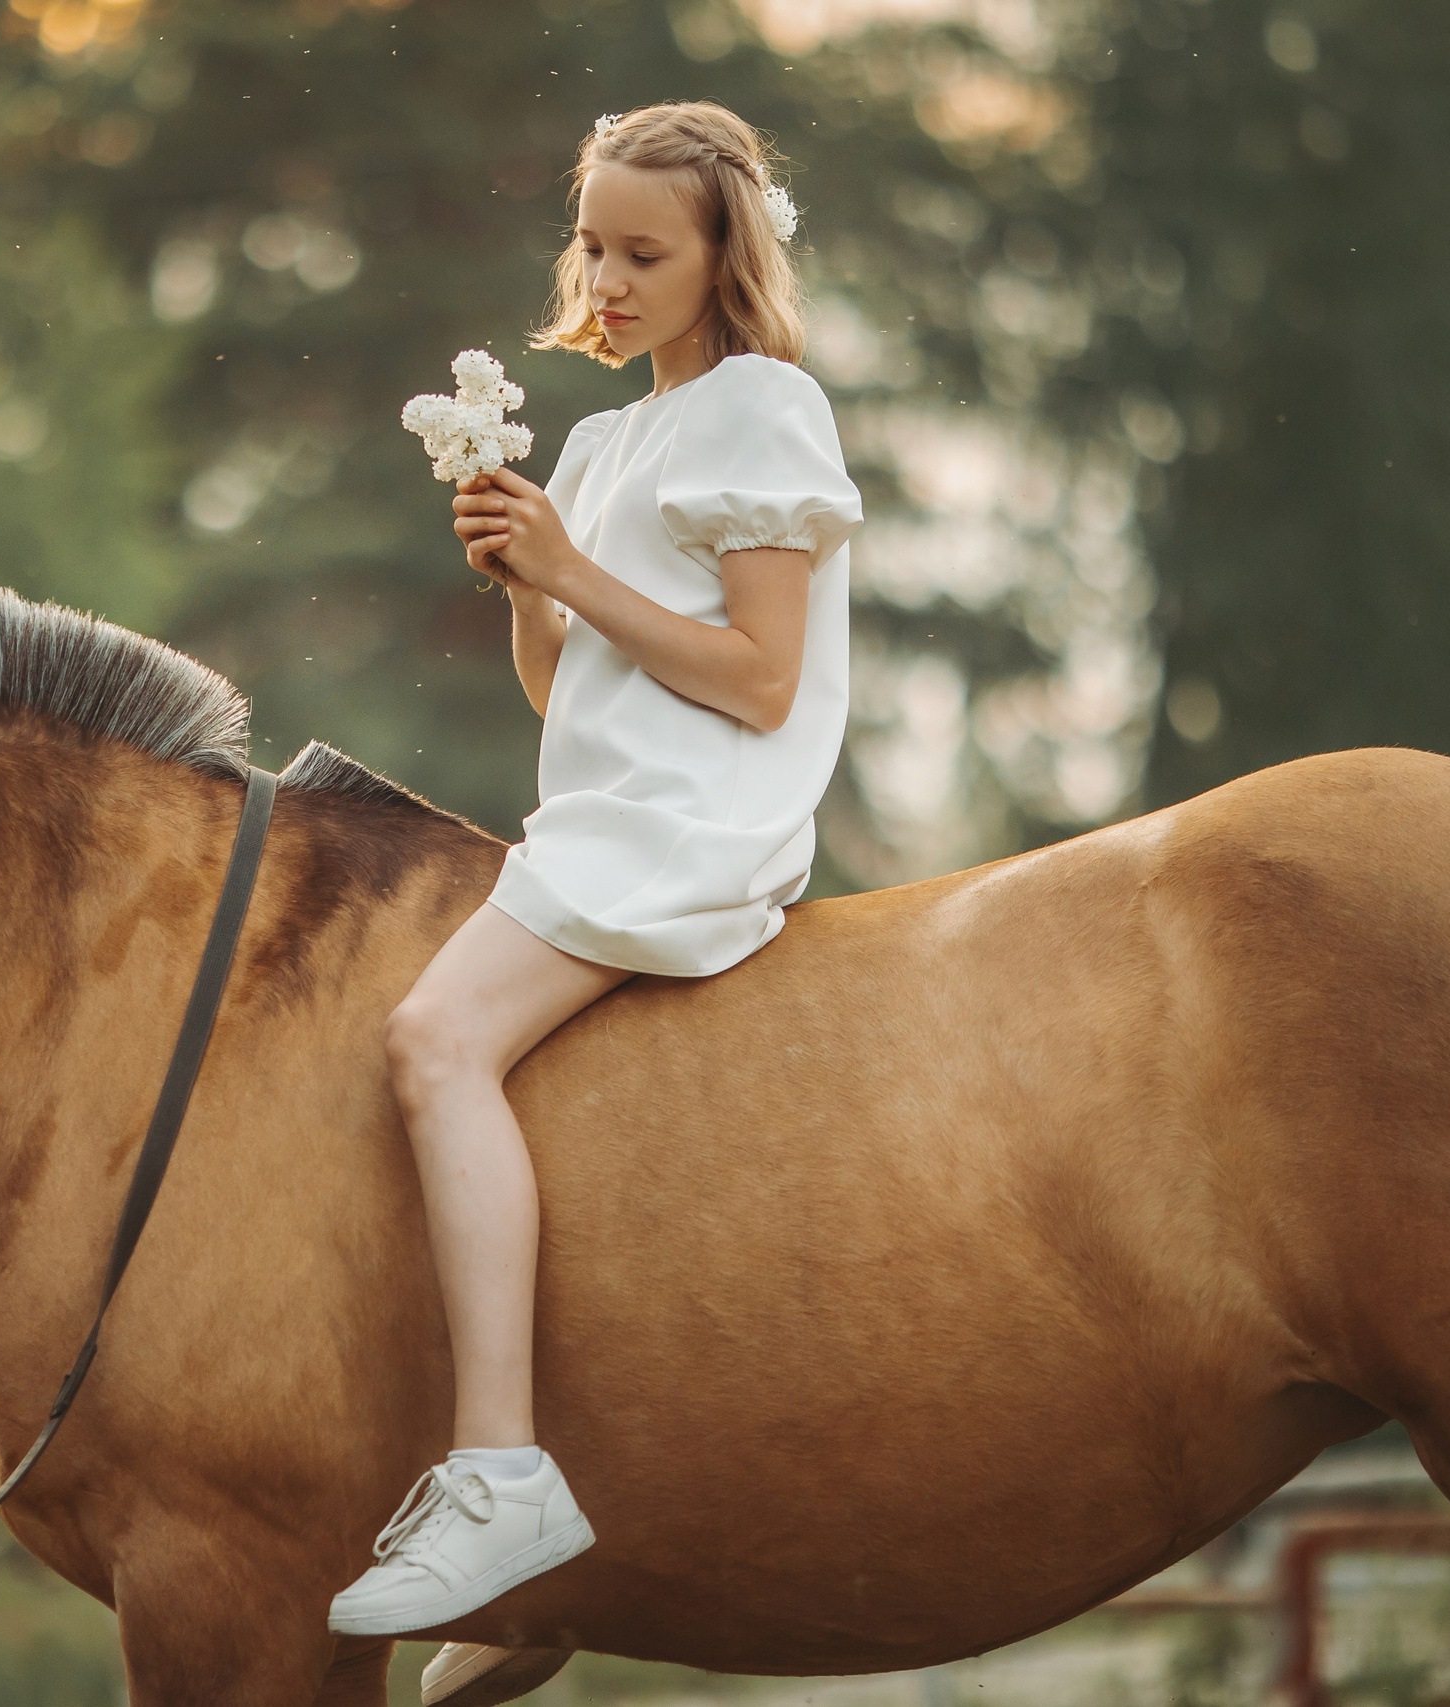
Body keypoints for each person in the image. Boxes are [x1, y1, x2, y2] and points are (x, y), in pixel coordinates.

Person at [327, 101, 866, 1641]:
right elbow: (577, 699)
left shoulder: (766, 407)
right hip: (603, 802)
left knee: (432, 1042)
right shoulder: (603, 434)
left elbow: (761, 680)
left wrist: (573, 569)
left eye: (648, 251)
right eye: (594, 243)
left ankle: (503, 1473)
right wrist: (526, 594)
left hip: (698, 815)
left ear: (721, 258)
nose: (611, 278)